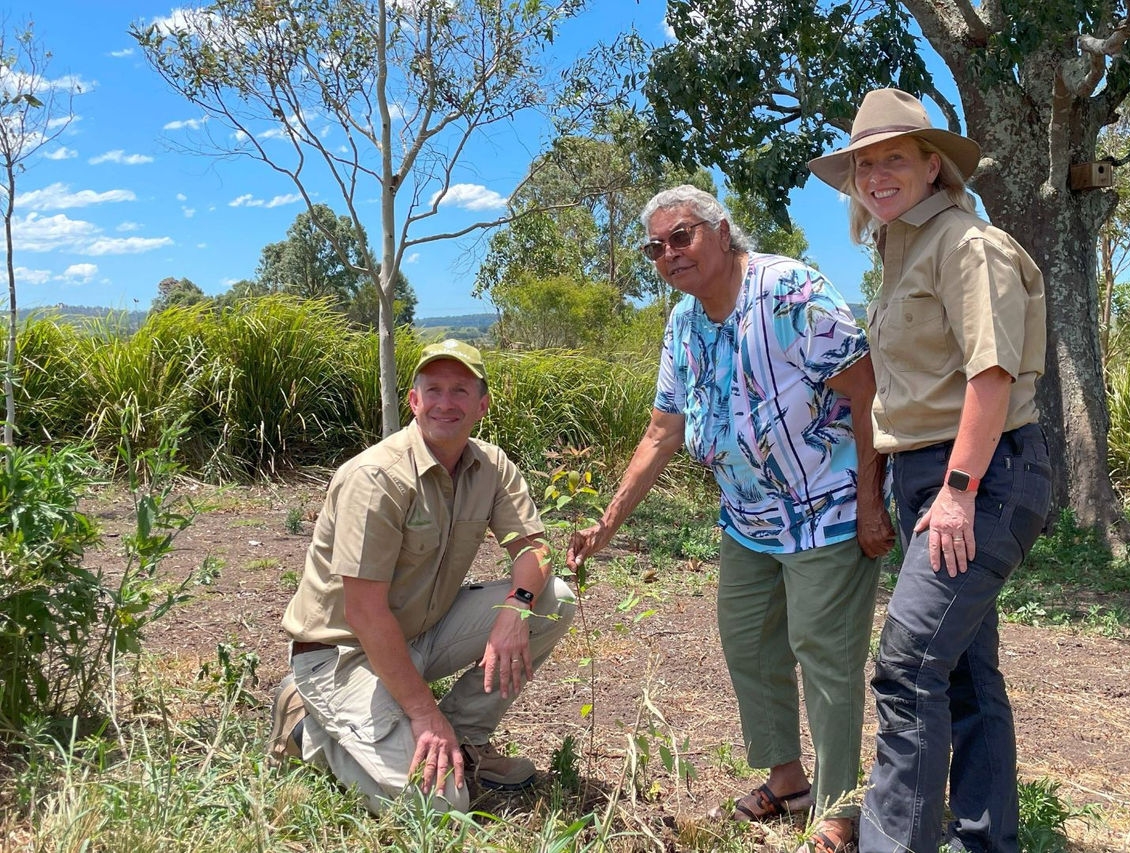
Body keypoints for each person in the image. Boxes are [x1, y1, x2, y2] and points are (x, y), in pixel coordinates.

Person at [567, 185, 894, 853]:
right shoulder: (684, 324)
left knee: (824, 655)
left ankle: (839, 810)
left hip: (825, 509)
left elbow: (866, 393)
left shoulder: (789, 291)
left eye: (680, 236)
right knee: (748, 643)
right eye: (655, 247)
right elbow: (662, 431)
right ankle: (788, 779)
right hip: (748, 518)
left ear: (720, 232)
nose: (668, 254)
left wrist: (870, 500)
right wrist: (608, 522)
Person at [807, 88, 1052, 853]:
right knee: (963, 675)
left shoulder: (964, 243)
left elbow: (991, 375)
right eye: (865, 163)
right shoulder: (898, 250)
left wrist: (955, 492)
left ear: (933, 167)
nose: (878, 175)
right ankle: (984, 841)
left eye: (895, 159)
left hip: (979, 474)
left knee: (908, 665)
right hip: (931, 476)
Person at [269, 339, 577, 815]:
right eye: (433, 389)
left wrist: (517, 606)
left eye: (460, 390)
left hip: (419, 634)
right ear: (414, 402)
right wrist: (423, 712)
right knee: (438, 805)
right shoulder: (377, 478)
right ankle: (306, 731)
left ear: (482, 405)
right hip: (342, 653)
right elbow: (364, 612)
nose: (445, 402)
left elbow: (534, 549)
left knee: (552, 599)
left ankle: (465, 741)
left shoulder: (491, 465)